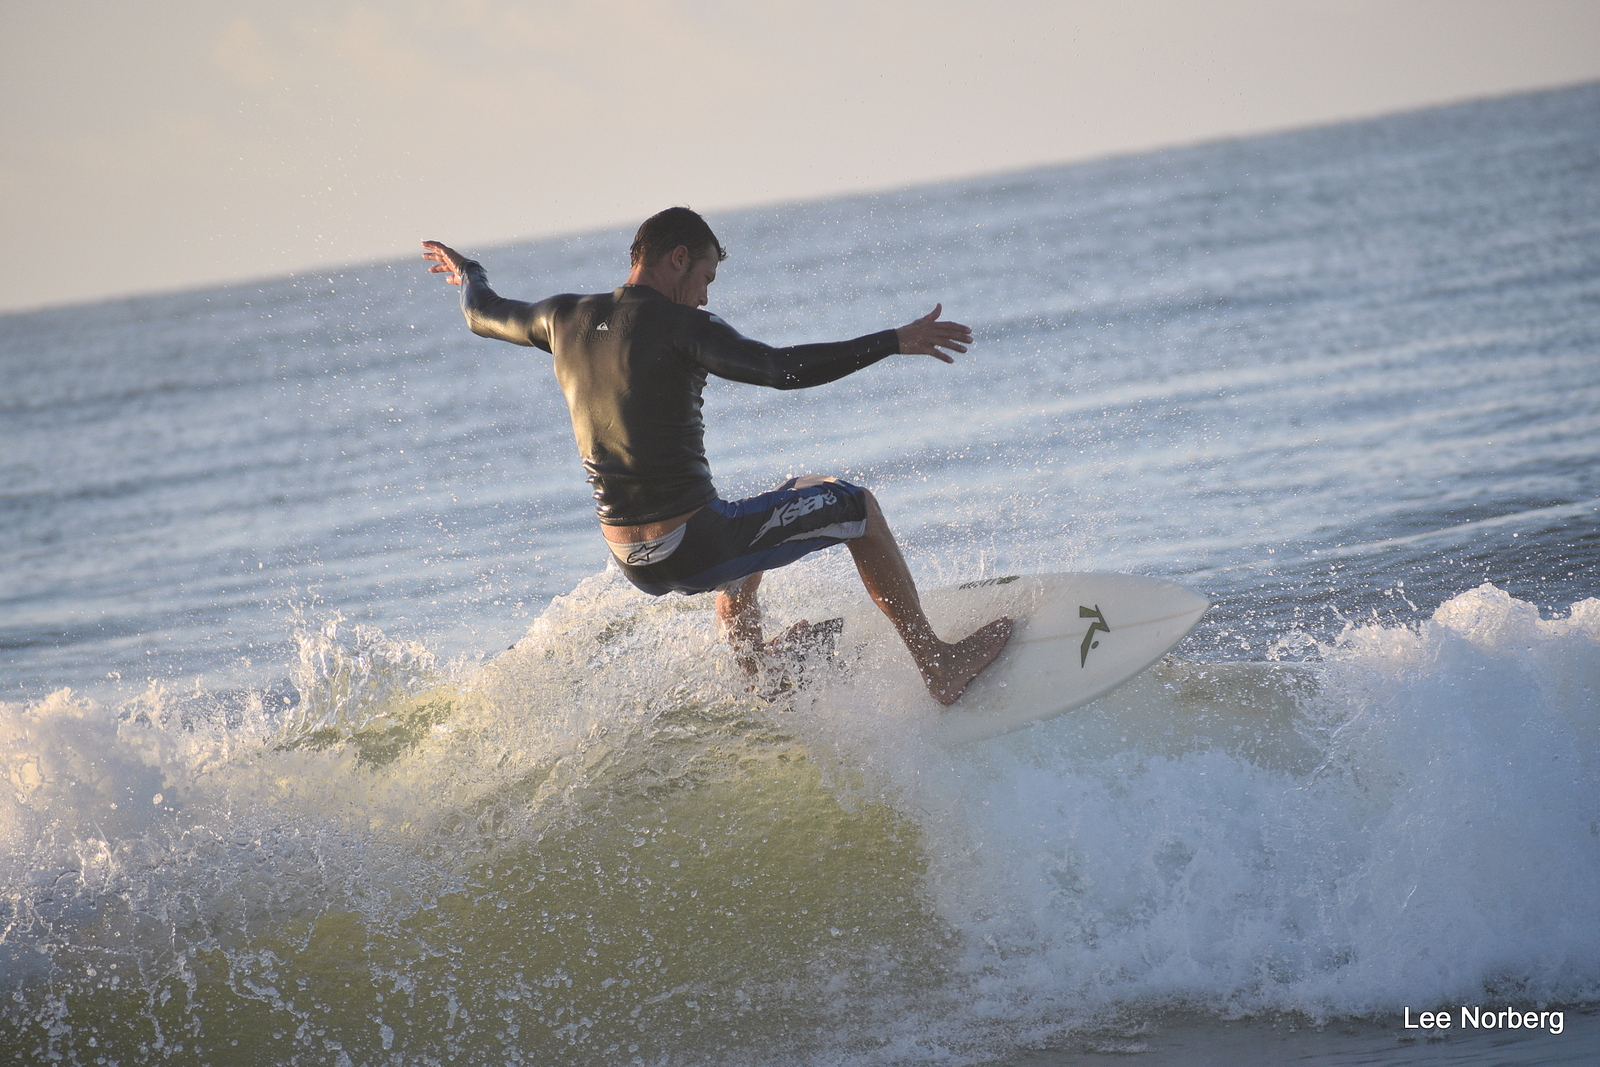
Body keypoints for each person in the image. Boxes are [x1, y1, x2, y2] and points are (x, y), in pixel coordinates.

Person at [422, 207, 1010, 704]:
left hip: (633, 558)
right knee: (858, 507)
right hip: (693, 544)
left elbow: (481, 312)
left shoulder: (561, 317)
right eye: (704, 277)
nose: (704, 296)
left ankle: (755, 664)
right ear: (677, 258)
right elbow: (782, 369)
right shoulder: (682, 326)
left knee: (800, 486)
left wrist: (470, 271)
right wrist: (893, 341)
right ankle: (939, 665)